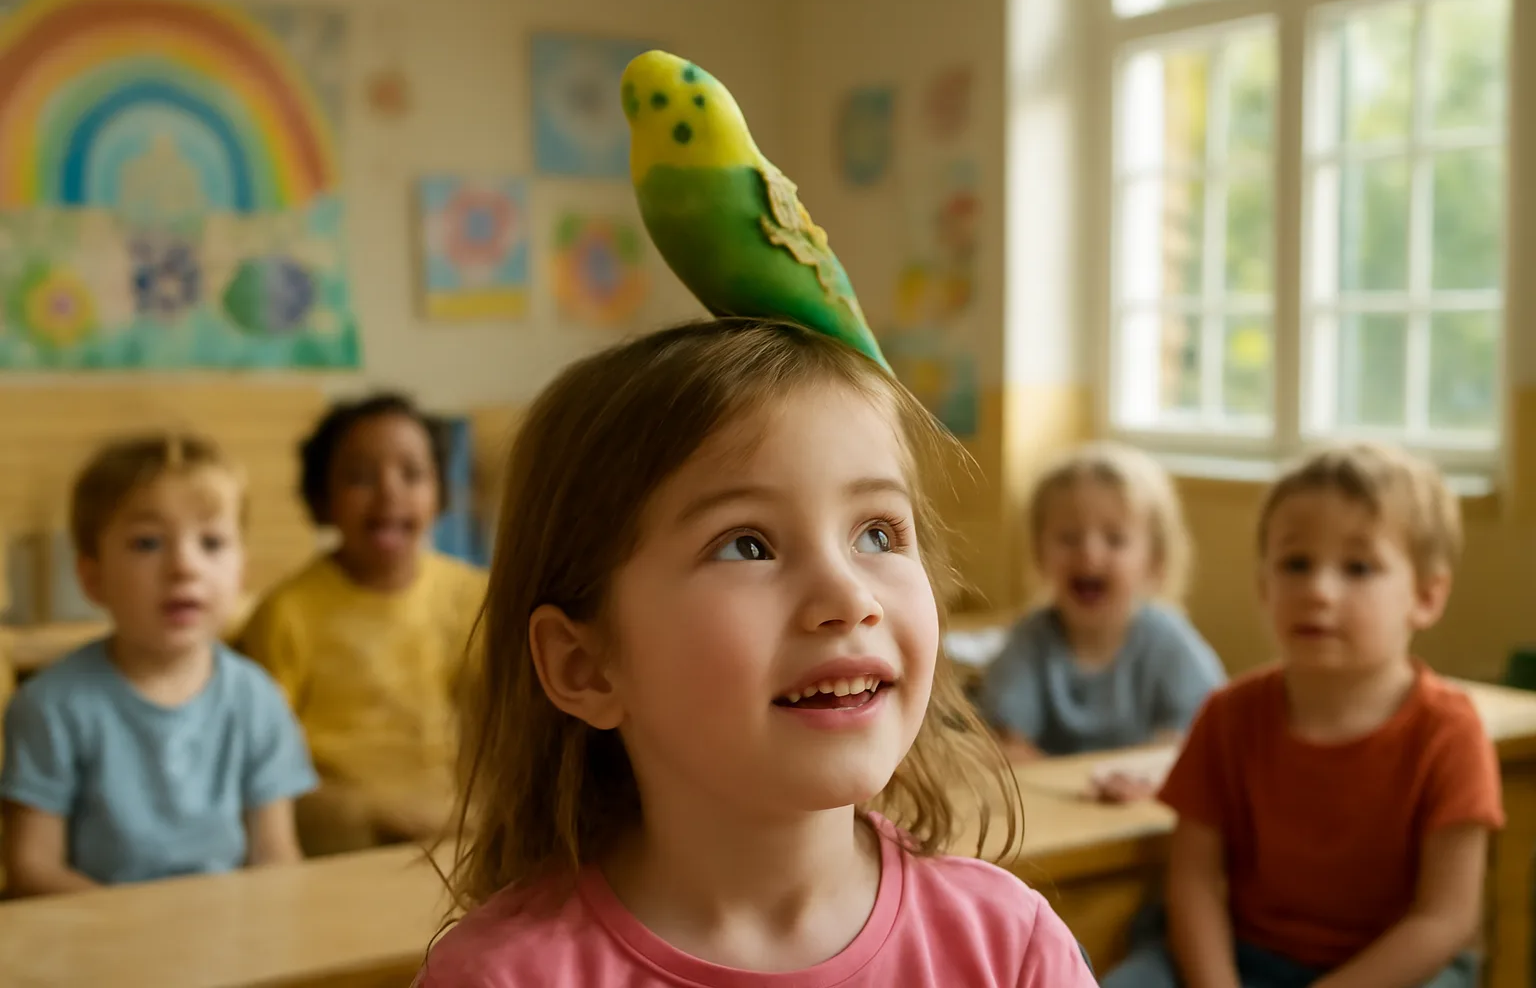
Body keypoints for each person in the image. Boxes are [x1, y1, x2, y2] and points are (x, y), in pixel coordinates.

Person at [418, 319, 1097, 985]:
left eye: (878, 534)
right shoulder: (500, 977)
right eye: (747, 544)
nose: (848, 595)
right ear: (585, 665)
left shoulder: (1010, 950)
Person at [1103, 441, 1503, 988]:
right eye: (1295, 563)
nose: (1318, 590)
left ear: (1426, 597)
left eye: (1358, 568)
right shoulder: (1227, 715)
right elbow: (1194, 882)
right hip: (1246, 958)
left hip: (1395, 972)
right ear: (1264, 585)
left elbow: (1446, 920)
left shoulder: (1448, 732)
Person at [1, 434, 315, 896]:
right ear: (93, 578)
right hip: (99, 942)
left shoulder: (257, 698)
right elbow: (31, 867)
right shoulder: (51, 706)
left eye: (211, 542)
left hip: (229, 940)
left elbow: (276, 857)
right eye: (147, 543)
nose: (184, 566)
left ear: (241, 571)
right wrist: (137, 932)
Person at [239, 393, 486, 855]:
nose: (389, 491)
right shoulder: (287, 612)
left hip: (462, 821)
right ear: (322, 499)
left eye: (412, 474)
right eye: (359, 477)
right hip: (341, 829)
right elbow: (260, 756)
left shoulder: (477, 596)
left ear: (440, 493)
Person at [977, 441, 1223, 801]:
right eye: (1068, 537)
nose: (1089, 553)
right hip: (1052, 816)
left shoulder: (1168, 641)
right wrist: (1081, 789)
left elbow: (1202, 743)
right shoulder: (1031, 640)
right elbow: (1002, 744)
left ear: (1154, 559)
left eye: (1115, 539)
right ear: (1039, 551)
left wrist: (1141, 781)